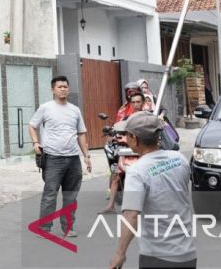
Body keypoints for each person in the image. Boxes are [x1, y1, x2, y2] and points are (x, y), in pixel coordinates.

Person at [109, 112, 197, 269]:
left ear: (134, 139)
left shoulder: (137, 171)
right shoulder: (179, 159)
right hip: (188, 255)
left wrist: (120, 253)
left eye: (126, 135)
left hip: (158, 257)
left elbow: (131, 216)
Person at [29, 76, 91, 238]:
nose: (63, 89)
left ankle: (68, 227)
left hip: (73, 159)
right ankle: (45, 227)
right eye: (59, 87)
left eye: (65, 86)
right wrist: (35, 143)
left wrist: (86, 155)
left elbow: (81, 133)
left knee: (71, 196)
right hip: (53, 159)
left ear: (68, 89)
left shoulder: (75, 110)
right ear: (53, 90)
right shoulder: (46, 108)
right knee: (50, 194)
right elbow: (32, 125)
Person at [100, 92, 144, 214]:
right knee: (115, 177)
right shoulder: (126, 118)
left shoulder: (148, 118)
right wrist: (114, 136)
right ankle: (111, 205)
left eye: (138, 102)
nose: (135, 104)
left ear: (143, 103)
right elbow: (118, 130)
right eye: (133, 102)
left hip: (142, 152)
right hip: (126, 151)